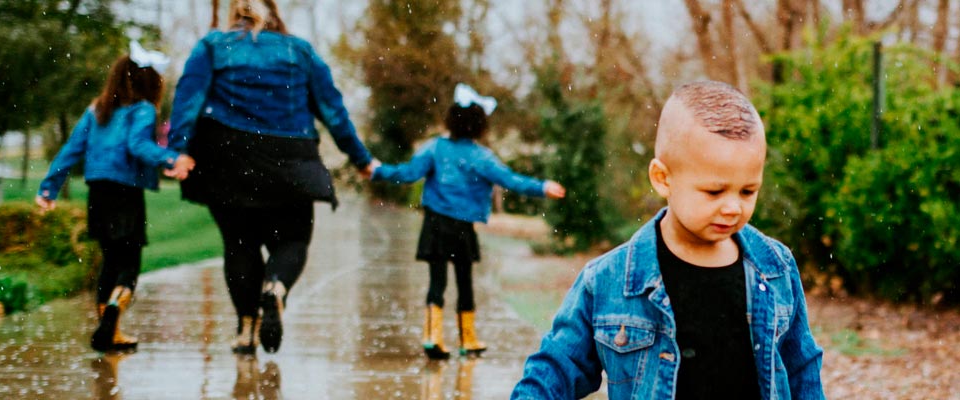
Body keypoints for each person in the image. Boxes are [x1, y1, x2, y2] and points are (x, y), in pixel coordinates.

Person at [510, 81, 824, 399]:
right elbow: (554, 371)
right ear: (663, 178)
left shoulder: (776, 267)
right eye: (714, 191)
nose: (733, 208)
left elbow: (803, 371)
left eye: (747, 191)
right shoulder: (609, 279)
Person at [166, 0, 375, 355]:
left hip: (228, 156)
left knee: (239, 245)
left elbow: (188, 100)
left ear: (236, 13)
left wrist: (178, 150)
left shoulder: (213, 47)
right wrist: (360, 158)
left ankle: (246, 329)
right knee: (293, 240)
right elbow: (333, 110)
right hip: (290, 157)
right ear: (276, 13)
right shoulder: (300, 51)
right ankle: (275, 288)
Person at [371, 83, 567, 359]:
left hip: (435, 223)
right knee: (465, 282)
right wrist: (542, 186)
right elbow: (510, 179)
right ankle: (468, 338)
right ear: (479, 125)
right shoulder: (481, 156)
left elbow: (408, 173)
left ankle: (432, 336)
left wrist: (378, 171)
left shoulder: (435, 148)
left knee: (436, 282)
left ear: (451, 120)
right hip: (462, 228)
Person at [36, 41, 194, 352]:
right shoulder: (143, 109)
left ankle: (107, 328)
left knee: (110, 260)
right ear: (150, 81)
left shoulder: (97, 109)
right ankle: (113, 316)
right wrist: (172, 159)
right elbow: (137, 145)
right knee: (129, 261)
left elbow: (71, 150)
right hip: (126, 191)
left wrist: (48, 189)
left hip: (99, 191)